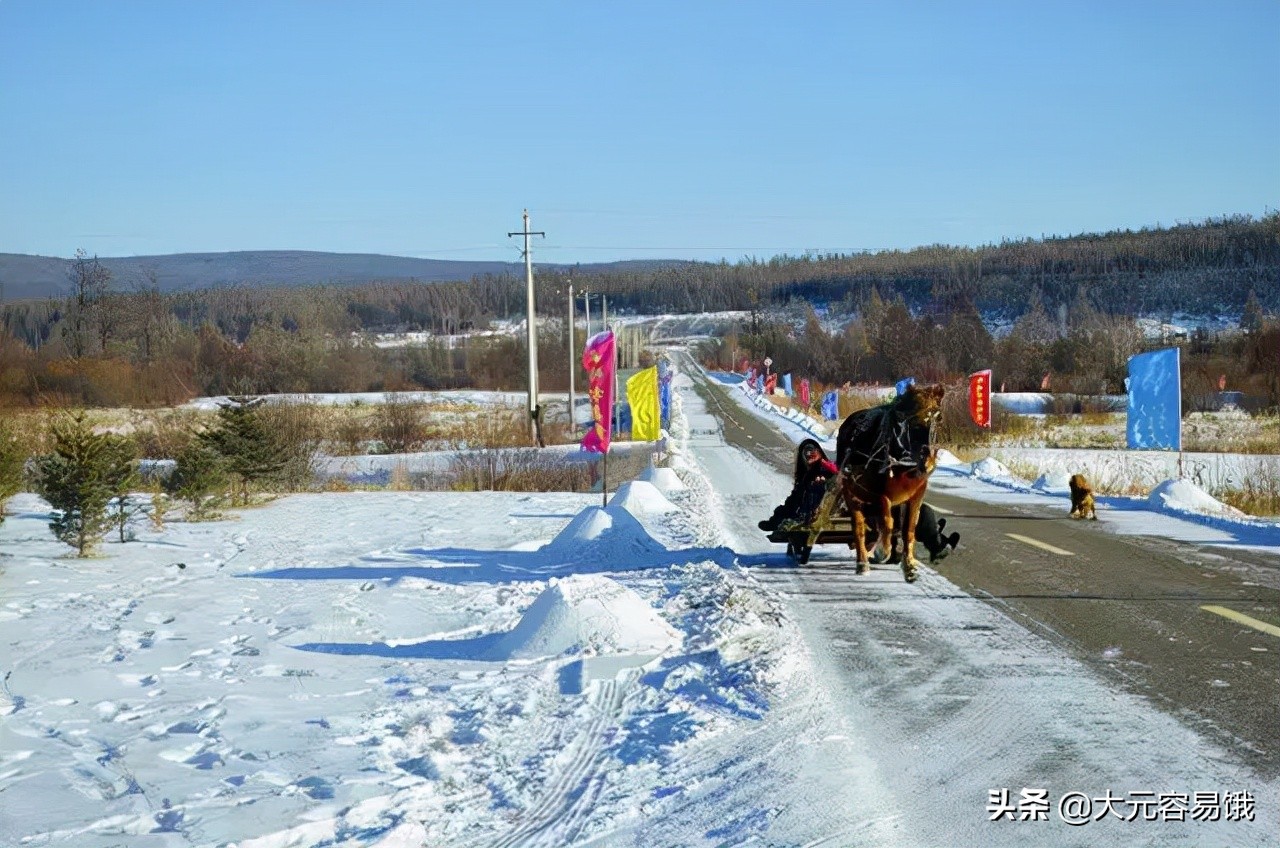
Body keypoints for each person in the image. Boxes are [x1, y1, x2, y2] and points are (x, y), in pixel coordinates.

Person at [758, 438, 839, 531]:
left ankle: (798, 520)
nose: (809, 454)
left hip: (819, 512)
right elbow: (794, 499)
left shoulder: (825, 469)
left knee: (812, 490)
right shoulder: (806, 475)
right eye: (806, 453)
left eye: (812, 451)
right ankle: (777, 522)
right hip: (804, 512)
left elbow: (835, 476)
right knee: (790, 503)